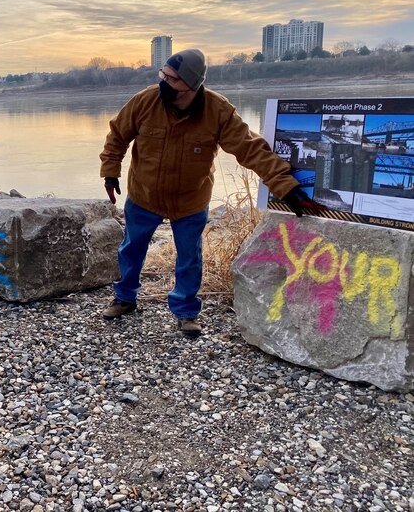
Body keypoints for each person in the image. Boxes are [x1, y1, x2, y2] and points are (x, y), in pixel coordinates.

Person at [99, 49, 320, 338]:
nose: (163, 82)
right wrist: (110, 171)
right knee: (131, 249)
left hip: (191, 200)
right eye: (162, 75)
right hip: (144, 195)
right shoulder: (145, 100)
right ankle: (125, 298)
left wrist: (285, 186)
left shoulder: (218, 111)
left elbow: (249, 148)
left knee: (189, 257)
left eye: (172, 79)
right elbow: (117, 135)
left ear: (191, 85)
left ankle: (186, 312)